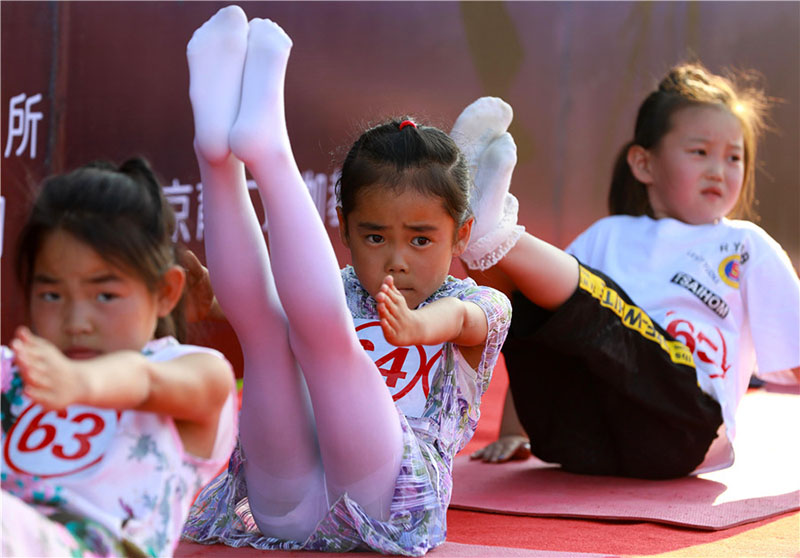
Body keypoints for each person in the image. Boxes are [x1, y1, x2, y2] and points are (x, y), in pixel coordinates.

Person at [179, 6, 510, 556]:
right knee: (264, 332)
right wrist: (214, 299)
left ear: (462, 235)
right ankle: (216, 154)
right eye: (375, 237)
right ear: (345, 229)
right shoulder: (335, 291)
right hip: (284, 504)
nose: (396, 260)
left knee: (326, 339)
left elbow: (459, 321)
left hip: (388, 506)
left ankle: (267, 148)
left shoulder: (477, 302)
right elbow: (284, 309)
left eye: (420, 239)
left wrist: (415, 325)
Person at [455, 64, 800, 479]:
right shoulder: (609, 235)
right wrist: (513, 431)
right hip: (578, 439)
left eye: (734, 157)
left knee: (594, 305)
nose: (718, 170)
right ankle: (481, 237)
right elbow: (545, 331)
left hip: (680, 429)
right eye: (700, 152)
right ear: (643, 164)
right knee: (533, 301)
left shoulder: (746, 246)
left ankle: (483, 235)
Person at [0, 158, 238, 557]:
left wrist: (80, 383)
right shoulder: (17, 369)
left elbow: (141, 378)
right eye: (52, 295)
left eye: (105, 295)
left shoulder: (196, 370)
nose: (77, 322)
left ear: (165, 292)